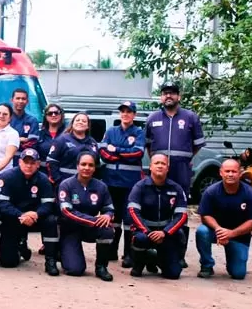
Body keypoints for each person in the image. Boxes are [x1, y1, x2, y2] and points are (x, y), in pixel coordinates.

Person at [145, 81, 205, 265]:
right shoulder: (152, 118)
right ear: (161, 97)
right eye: (165, 93)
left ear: (179, 96)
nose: (168, 96)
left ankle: (179, 255)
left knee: (180, 211)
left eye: (172, 93)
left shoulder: (190, 117)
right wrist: (157, 163)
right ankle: (153, 252)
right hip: (159, 170)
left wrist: (183, 160)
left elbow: (197, 145)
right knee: (155, 207)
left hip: (181, 171)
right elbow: (148, 146)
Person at [0, 148, 59, 270]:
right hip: (14, 218)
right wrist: (21, 215)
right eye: (26, 162)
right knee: (7, 262)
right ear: (19, 162)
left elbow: (48, 205)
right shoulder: (7, 177)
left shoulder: (44, 180)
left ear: (38, 164)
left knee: (51, 221)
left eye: (32, 163)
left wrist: (36, 214)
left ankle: (51, 260)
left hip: (36, 218)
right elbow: (2, 204)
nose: (29, 166)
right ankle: (21, 247)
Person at [126, 153, 188, 279]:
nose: (160, 166)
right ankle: (138, 264)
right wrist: (147, 232)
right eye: (156, 163)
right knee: (140, 239)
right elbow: (133, 211)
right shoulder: (140, 186)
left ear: (168, 168)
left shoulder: (176, 188)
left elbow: (181, 216)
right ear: (150, 166)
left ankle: (153, 258)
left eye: (163, 163)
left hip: (165, 233)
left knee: (173, 274)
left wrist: (165, 232)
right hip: (144, 231)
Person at [99, 101, 145, 267]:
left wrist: (117, 150)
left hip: (130, 183)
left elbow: (137, 153)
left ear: (134, 114)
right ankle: (111, 250)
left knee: (129, 218)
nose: (125, 114)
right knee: (114, 217)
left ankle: (128, 254)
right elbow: (103, 153)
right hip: (111, 181)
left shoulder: (139, 132)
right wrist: (124, 151)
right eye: (123, 111)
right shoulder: (111, 131)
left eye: (129, 112)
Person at [57, 151, 116, 281]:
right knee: (75, 270)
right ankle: (62, 251)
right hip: (70, 229)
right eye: (83, 164)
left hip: (90, 229)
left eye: (91, 165)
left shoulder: (101, 186)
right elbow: (67, 212)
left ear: (95, 168)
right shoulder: (66, 185)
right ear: (77, 166)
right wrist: (94, 220)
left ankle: (101, 266)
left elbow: (109, 207)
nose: (87, 168)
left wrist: (107, 215)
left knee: (107, 229)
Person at [196, 159, 252, 280]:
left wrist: (231, 234)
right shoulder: (211, 192)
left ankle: (233, 259)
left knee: (238, 274)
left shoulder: (250, 194)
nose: (230, 174)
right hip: (215, 232)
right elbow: (205, 215)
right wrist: (219, 229)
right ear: (221, 173)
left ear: (240, 173)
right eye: (227, 171)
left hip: (239, 236)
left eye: (234, 171)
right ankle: (207, 265)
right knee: (202, 231)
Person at [46, 112, 98, 186]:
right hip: (66, 184)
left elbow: (96, 165)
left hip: (87, 185)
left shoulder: (93, 143)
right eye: (77, 120)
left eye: (84, 121)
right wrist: (58, 182)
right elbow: (51, 162)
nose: (80, 122)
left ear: (88, 126)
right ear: (72, 124)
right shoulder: (62, 140)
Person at [10, 88, 39, 162]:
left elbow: (32, 143)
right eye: (18, 98)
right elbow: (1, 140)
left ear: (27, 101)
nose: (20, 101)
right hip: (6, 160)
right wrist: (20, 139)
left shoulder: (32, 121)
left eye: (23, 99)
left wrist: (11, 140)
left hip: (25, 161)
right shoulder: (5, 119)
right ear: (12, 100)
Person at [36, 103, 65, 171]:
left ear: (61, 115)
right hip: (42, 173)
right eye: (50, 113)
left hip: (62, 174)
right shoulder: (39, 134)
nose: (53, 115)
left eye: (56, 113)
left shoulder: (68, 134)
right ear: (45, 116)